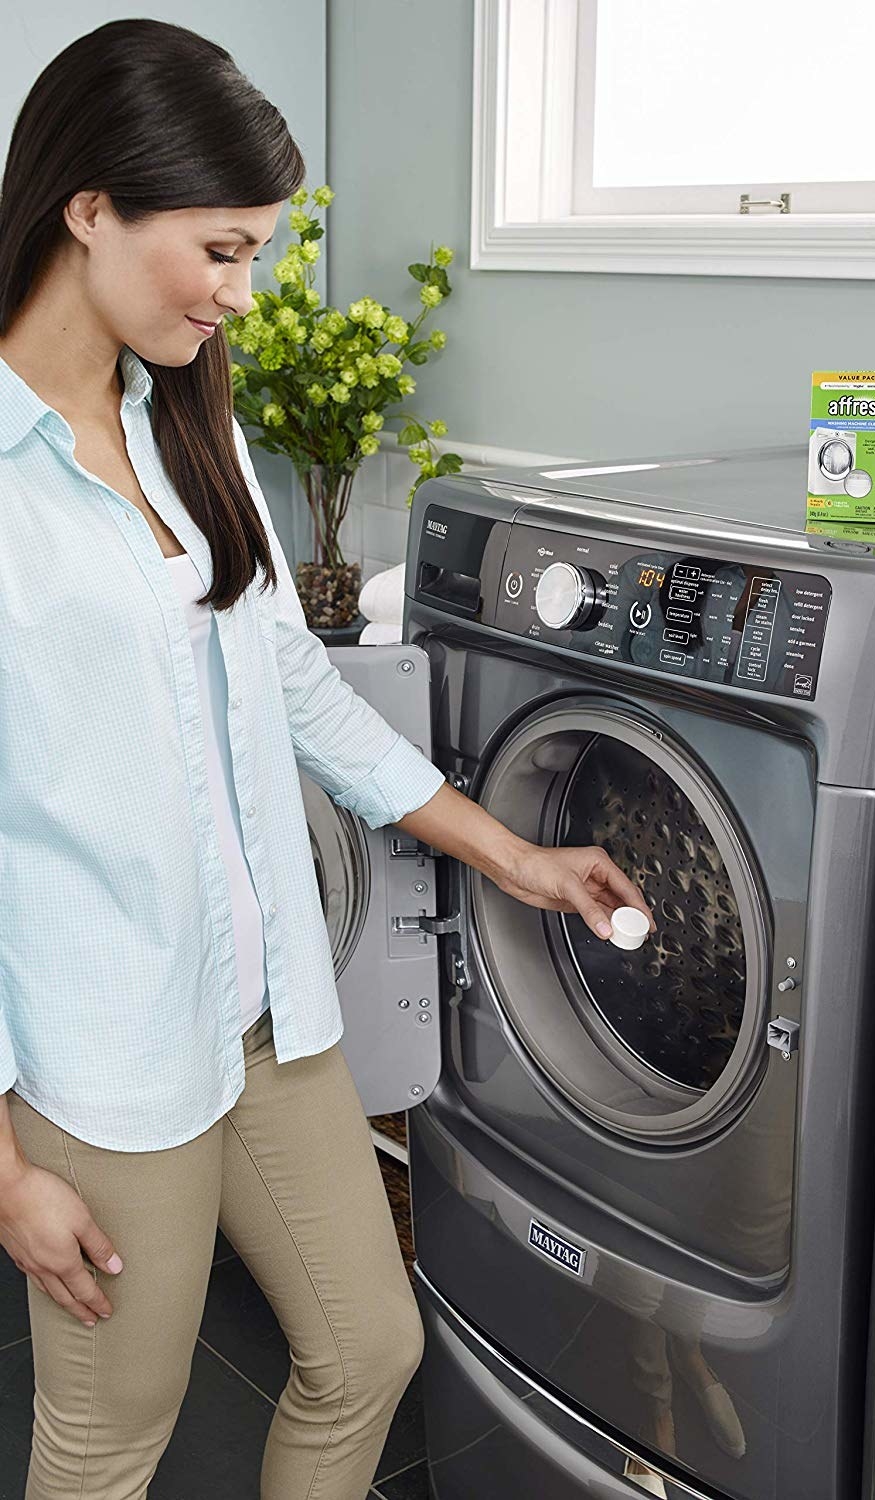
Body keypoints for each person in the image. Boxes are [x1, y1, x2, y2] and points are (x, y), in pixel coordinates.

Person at [0, 20, 655, 1500]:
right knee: (110, 1443)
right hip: (100, 1063)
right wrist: (6, 1174)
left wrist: (514, 851)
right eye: (220, 252)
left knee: (369, 1350)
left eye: (253, 259)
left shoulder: (185, 432)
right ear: (87, 205)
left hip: (269, 1013)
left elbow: (293, 682)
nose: (240, 296)